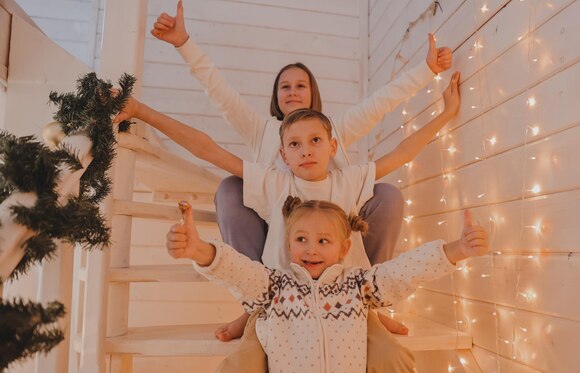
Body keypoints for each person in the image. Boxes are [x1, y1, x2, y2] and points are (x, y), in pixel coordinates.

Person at [114, 73, 460, 373]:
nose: (305, 151)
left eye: (315, 141)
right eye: (295, 144)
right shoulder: (273, 184)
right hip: (279, 304)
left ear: (333, 147)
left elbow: (404, 151)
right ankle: (250, 313)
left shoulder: (350, 181)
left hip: (344, 301)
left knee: (394, 359)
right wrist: (143, 111)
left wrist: (445, 114)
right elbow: (207, 149)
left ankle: (376, 317)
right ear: (282, 153)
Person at [151, 0, 453, 342]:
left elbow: (383, 103)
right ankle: (256, 304)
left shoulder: (335, 131)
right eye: (285, 86)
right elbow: (218, 92)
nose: (293, 91)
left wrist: (427, 72)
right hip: (274, 225)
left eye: (300, 85)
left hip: (330, 225)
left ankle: (369, 301)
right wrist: (183, 44)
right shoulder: (261, 131)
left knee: (387, 194)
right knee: (230, 187)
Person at [166, 197, 489, 373]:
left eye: (323, 241)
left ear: (344, 248)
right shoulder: (275, 286)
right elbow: (238, 271)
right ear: (288, 243)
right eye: (301, 239)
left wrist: (456, 250)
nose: (311, 249)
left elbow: (400, 273)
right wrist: (199, 250)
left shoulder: (357, 286)